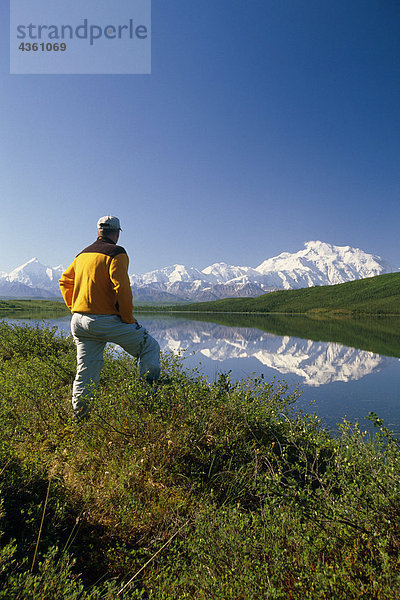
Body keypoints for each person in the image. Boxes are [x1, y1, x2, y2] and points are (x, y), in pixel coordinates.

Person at [59, 215, 160, 420]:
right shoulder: (116, 253)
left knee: (86, 370)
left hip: (79, 321)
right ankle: (149, 401)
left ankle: (80, 418)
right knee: (150, 347)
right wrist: (128, 318)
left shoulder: (82, 255)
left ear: (98, 231)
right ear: (117, 233)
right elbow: (122, 288)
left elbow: (64, 281)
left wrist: (74, 307)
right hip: (104, 321)